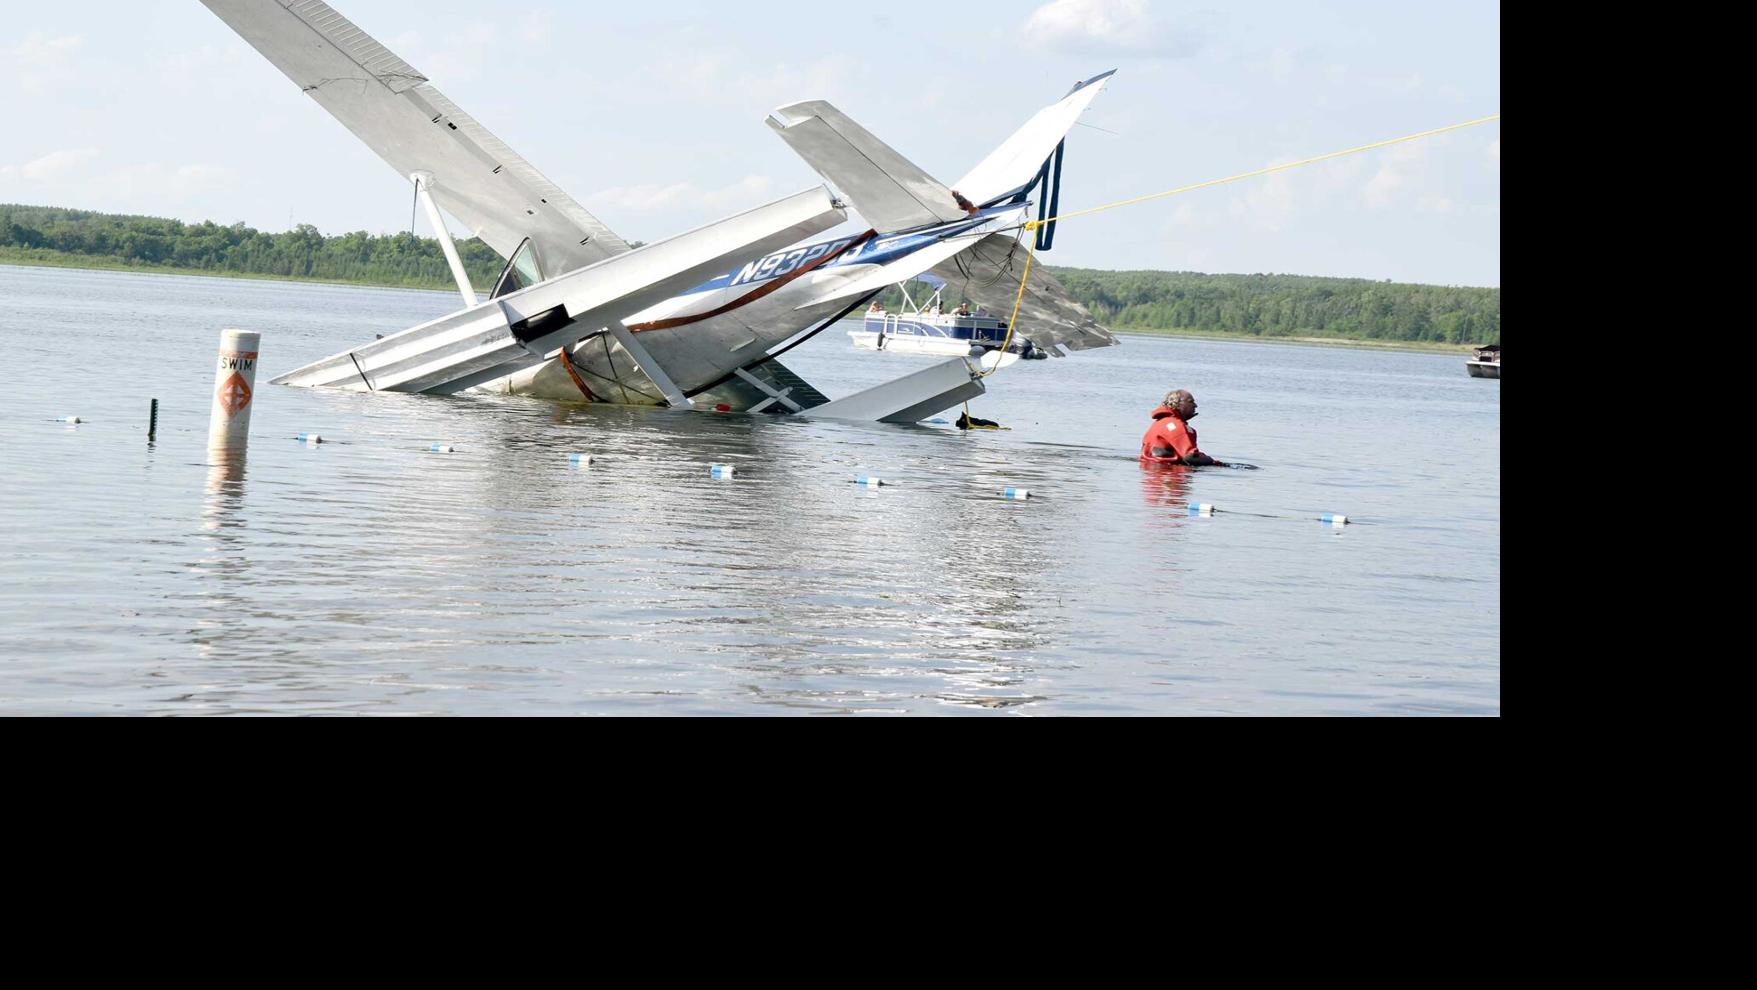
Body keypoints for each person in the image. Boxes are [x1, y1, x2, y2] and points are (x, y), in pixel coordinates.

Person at [1140, 389, 1226, 466]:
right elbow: (1190, 457)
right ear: (1178, 404)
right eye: (1191, 402)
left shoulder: (1158, 423)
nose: (1195, 405)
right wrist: (1214, 462)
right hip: (1168, 475)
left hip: (1150, 474)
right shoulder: (1176, 426)